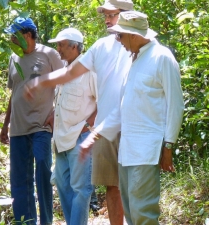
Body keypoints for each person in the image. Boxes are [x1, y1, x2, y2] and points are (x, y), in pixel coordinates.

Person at [24, 1, 134, 224]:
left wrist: (87, 128)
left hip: (119, 127)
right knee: (104, 186)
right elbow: (68, 79)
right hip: (85, 134)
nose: (106, 19)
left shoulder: (140, 47)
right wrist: (41, 84)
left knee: (126, 188)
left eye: (111, 14)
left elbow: (100, 101)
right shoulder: (99, 48)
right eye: (105, 14)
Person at [82, 11, 183, 224]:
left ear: (134, 35)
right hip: (126, 150)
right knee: (130, 211)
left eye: (120, 36)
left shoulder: (161, 57)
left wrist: (168, 145)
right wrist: (96, 134)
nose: (118, 42)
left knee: (143, 213)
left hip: (146, 149)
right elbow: (122, 108)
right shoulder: (134, 61)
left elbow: (176, 104)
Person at [0, 17, 64, 225]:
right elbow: (15, 93)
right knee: (19, 180)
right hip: (18, 128)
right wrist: (5, 125)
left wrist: (56, 114)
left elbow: (65, 83)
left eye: (14, 35)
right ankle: (25, 222)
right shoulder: (14, 58)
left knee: (43, 172)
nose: (12, 39)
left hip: (42, 126)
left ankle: (46, 221)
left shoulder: (49, 54)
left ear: (27, 35)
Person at [46, 28, 98, 224]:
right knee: (62, 185)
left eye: (61, 44)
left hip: (80, 137)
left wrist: (87, 124)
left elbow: (103, 103)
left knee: (81, 189)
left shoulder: (90, 71)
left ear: (74, 46)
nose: (58, 49)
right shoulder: (65, 71)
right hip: (61, 139)